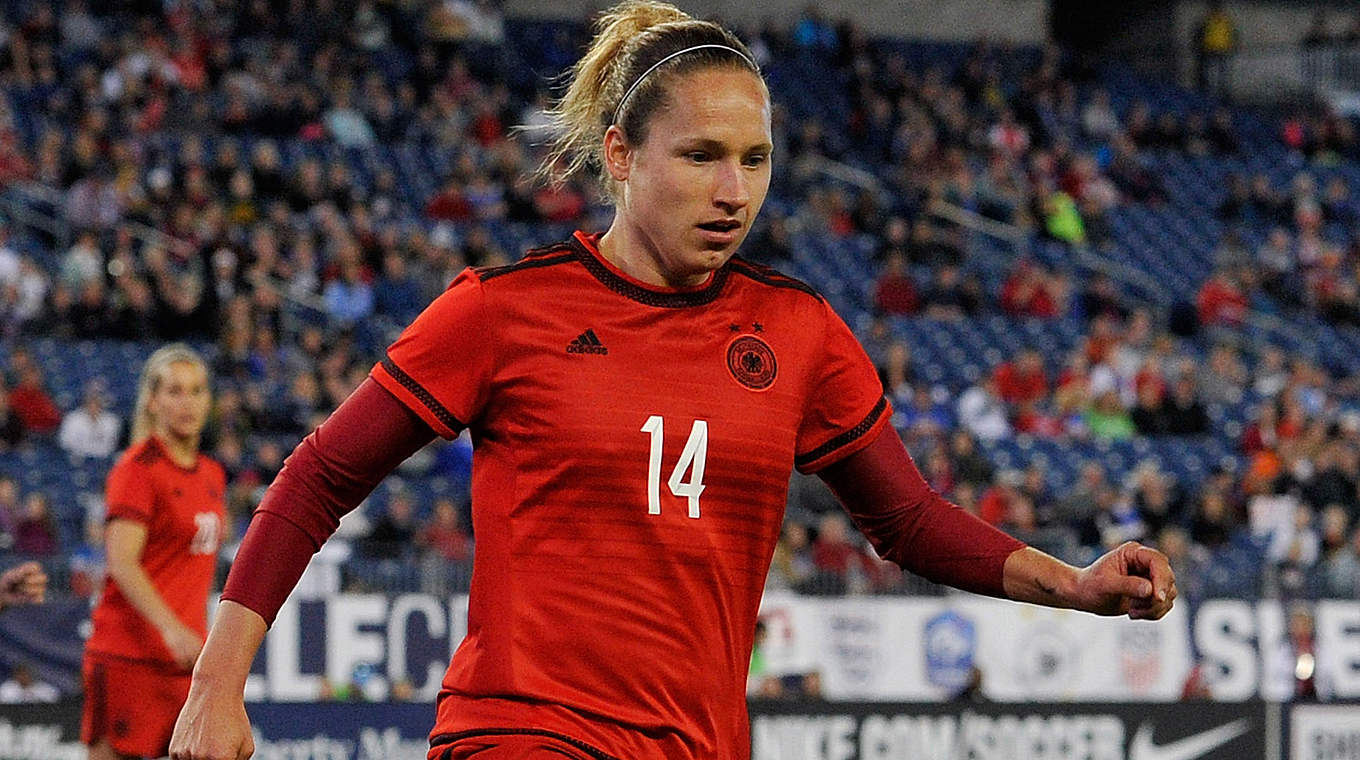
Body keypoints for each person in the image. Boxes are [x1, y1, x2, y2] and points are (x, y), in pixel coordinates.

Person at [170, 5, 1177, 760]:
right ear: (619, 155)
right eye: (700, 156)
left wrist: (1074, 583)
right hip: (523, 731)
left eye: (754, 159)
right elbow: (319, 475)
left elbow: (906, 519)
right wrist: (218, 684)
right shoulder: (501, 312)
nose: (733, 191)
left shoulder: (798, 332)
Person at [84, 345, 225, 760]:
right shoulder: (137, 469)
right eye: (175, 391)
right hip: (129, 655)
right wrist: (171, 629)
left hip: (187, 661)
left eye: (197, 391)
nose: (188, 402)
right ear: (152, 400)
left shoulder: (213, 473)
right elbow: (121, 562)